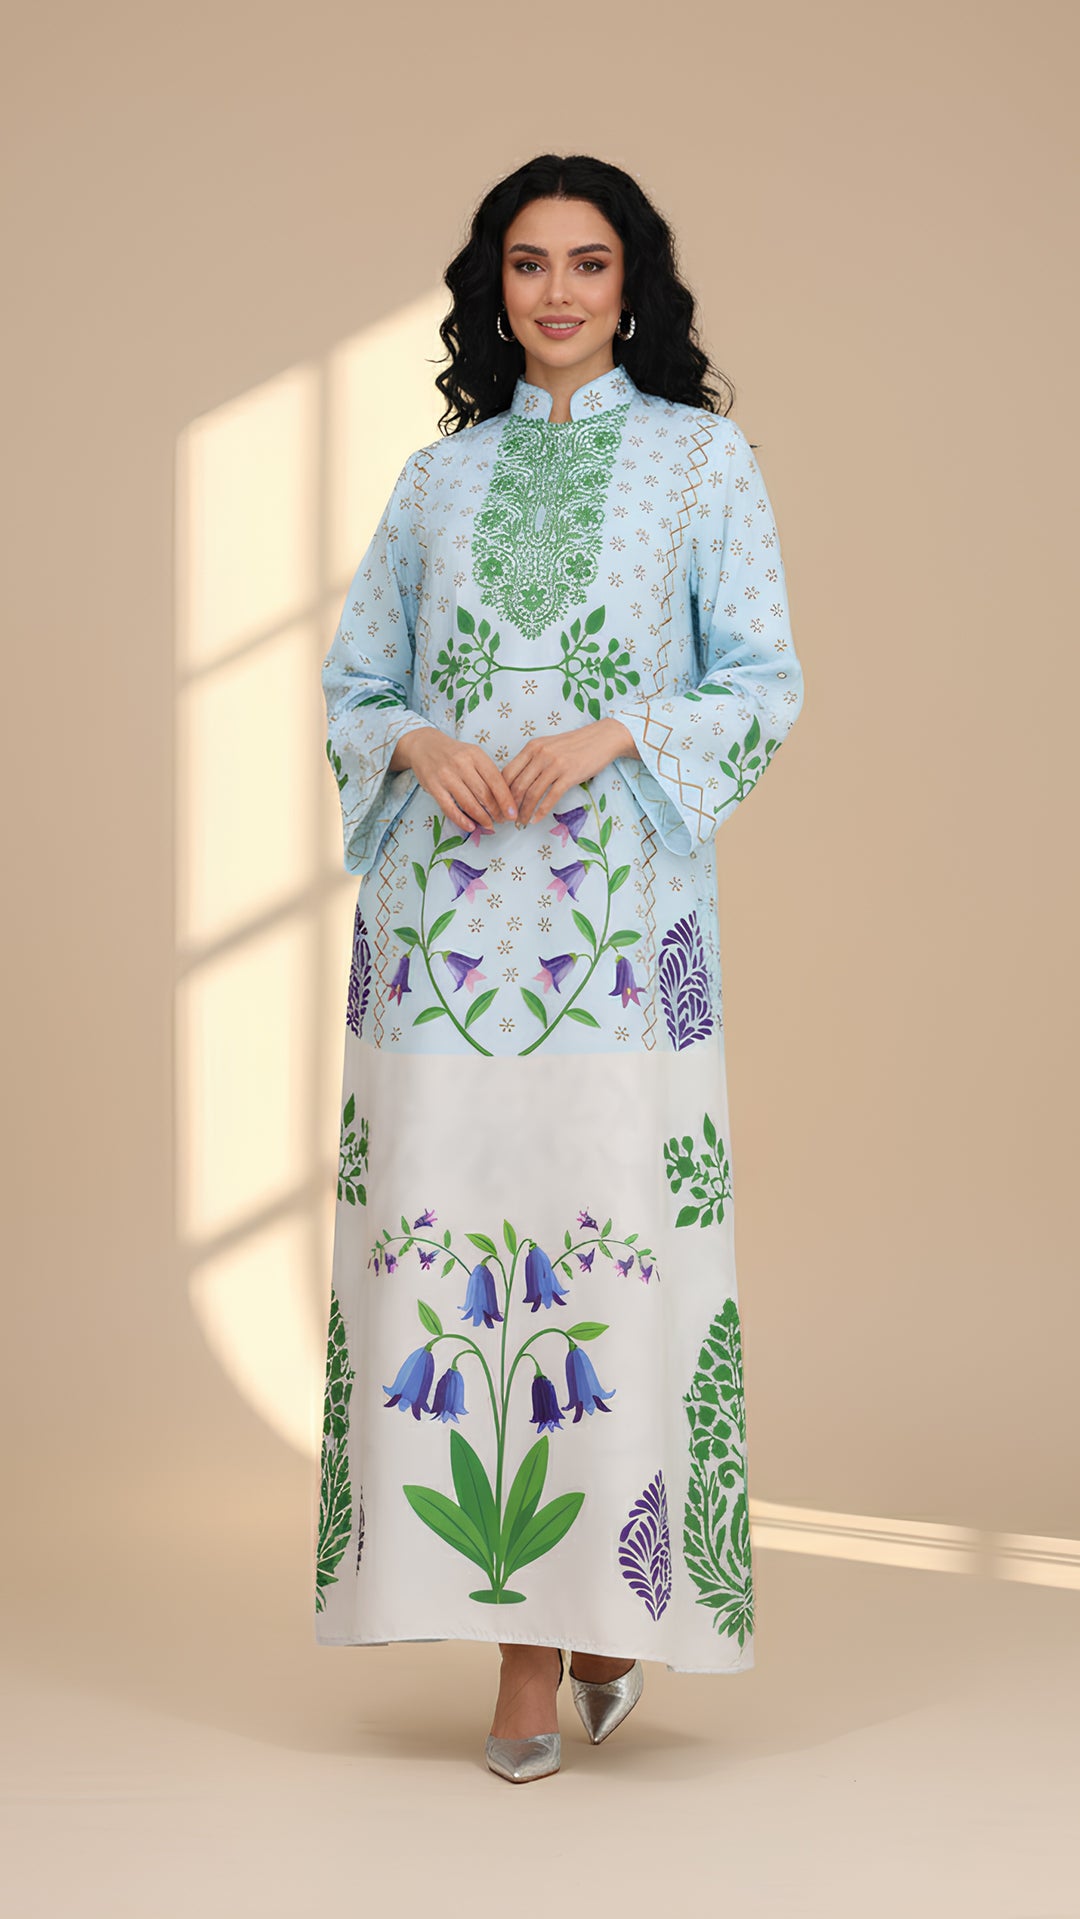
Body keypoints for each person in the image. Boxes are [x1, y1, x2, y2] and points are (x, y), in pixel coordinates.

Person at [316, 153, 804, 1784]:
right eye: (529, 263)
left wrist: (617, 732)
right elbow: (357, 683)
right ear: (495, 286)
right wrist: (422, 745)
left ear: (633, 283)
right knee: (452, 1261)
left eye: (589, 263)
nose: (558, 293)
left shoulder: (701, 462)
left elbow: (760, 683)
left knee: (611, 1258)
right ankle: (527, 1648)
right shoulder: (436, 480)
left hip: (616, 927)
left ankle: (613, 1611)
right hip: (445, 935)